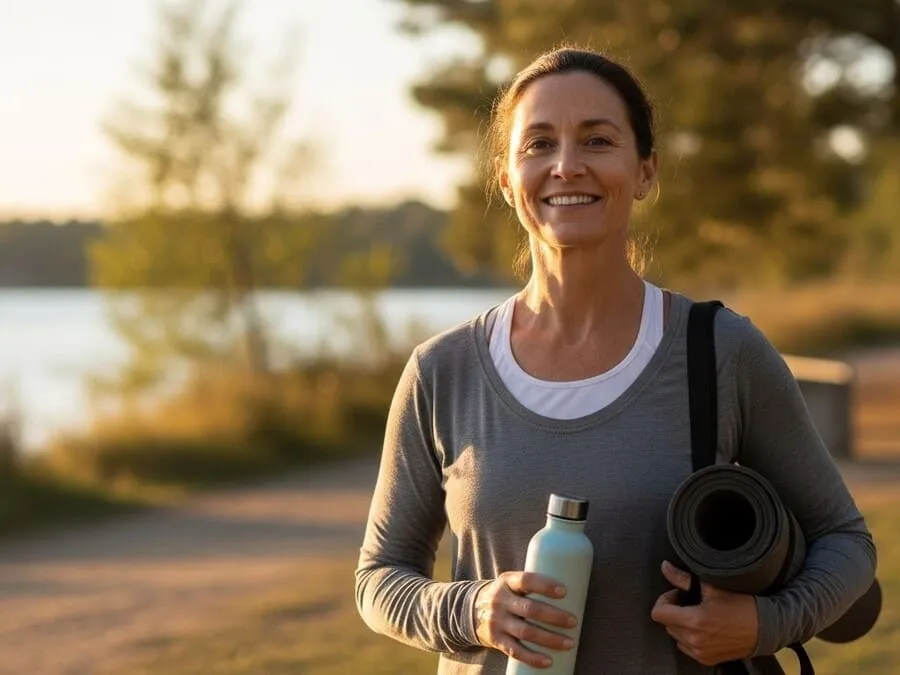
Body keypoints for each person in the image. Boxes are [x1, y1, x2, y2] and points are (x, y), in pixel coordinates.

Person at [354, 46, 877, 674]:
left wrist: (766, 625)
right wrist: (473, 610)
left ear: (646, 171)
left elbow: (844, 542)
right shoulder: (442, 371)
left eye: (598, 141)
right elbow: (378, 579)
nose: (567, 166)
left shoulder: (721, 351)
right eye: (538, 144)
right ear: (506, 179)